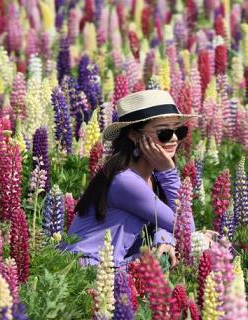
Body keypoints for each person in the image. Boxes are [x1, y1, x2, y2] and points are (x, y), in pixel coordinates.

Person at [63, 89, 210, 269]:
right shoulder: (125, 182)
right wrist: (169, 172)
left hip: (111, 266)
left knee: (210, 244)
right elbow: (186, 230)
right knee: (203, 246)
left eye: (179, 131)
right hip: (87, 270)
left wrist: (165, 241)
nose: (173, 139)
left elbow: (169, 226)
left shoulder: (151, 178)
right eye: (163, 132)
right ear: (133, 135)